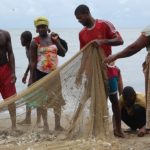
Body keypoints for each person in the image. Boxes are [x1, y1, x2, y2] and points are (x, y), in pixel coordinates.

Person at [74, 4, 124, 137]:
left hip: (108, 69)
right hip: (92, 72)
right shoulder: (82, 33)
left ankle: (118, 129)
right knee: (93, 101)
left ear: (87, 13)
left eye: (80, 18)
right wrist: (79, 73)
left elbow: (120, 40)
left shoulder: (104, 24)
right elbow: (84, 55)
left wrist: (103, 41)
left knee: (114, 99)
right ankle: (97, 129)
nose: (79, 21)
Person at [29, 16, 68, 131]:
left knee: (57, 100)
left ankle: (57, 125)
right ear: (36, 29)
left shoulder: (53, 39)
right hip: (40, 74)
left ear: (47, 27)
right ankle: (45, 125)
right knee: (42, 101)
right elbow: (32, 61)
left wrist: (57, 41)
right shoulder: (34, 42)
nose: (41, 29)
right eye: (39, 27)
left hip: (54, 74)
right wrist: (31, 78)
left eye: (43, 27)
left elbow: (63, 53)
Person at [0, 29, 17, 130]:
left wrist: (13, 72)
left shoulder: (5, 34)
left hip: (5, 69)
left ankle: (14, 126)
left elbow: (10, 53)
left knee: (11, 99)